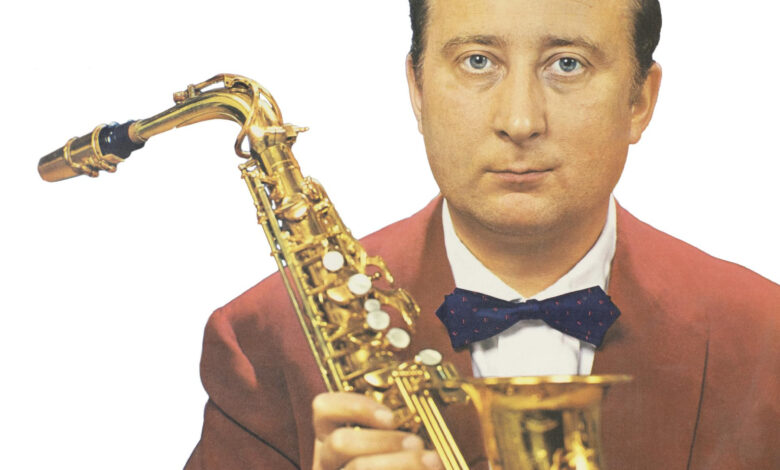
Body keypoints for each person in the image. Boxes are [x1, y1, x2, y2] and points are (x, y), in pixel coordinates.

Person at [185, 1, 779, 469]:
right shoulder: (263, 338)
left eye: (567, 64)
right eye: (477, 61)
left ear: (640, 101)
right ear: (417, 90)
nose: (519, 121)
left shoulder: (766, 335)